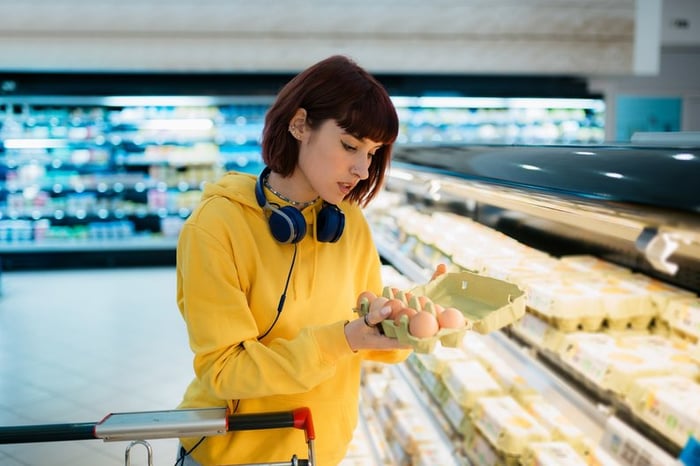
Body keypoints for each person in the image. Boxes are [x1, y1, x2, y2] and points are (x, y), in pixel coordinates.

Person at [174, 55, 438, 466]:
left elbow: (371, 342)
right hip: (234, 451)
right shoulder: (215, 227)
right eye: (350, 145)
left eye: (372, 153)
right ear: (299, 125)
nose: (362, 169)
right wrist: (343, 339)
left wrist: (407, 320)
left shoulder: (348, 221)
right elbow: (225, 372)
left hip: (321, 448)